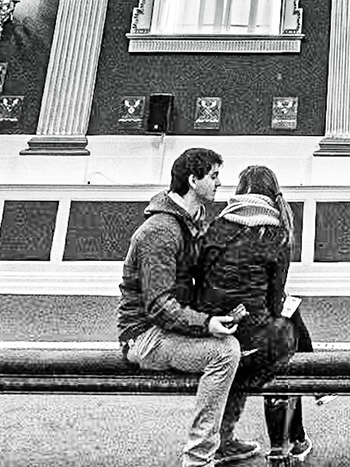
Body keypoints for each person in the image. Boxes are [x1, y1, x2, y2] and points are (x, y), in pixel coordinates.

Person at [117, 147, 253, 467]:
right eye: (214, 176)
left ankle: (224, 440)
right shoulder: (160, 231)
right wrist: (206, 324)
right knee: (224, 352)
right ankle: (198, 458)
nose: (219, 182)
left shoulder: (193, 221)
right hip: (144, 336)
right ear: (193, 180)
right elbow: (159, 305)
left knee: (246, 344)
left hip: (168, 329)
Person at [197, 165, 312, 466]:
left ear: (239, 192)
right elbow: (275, 301)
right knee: (286, 344)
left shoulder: (216, 226)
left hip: (213, 332)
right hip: (252, 343)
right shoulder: (276, 233)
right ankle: (284, 447)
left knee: (286, 324)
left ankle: (227, 439)